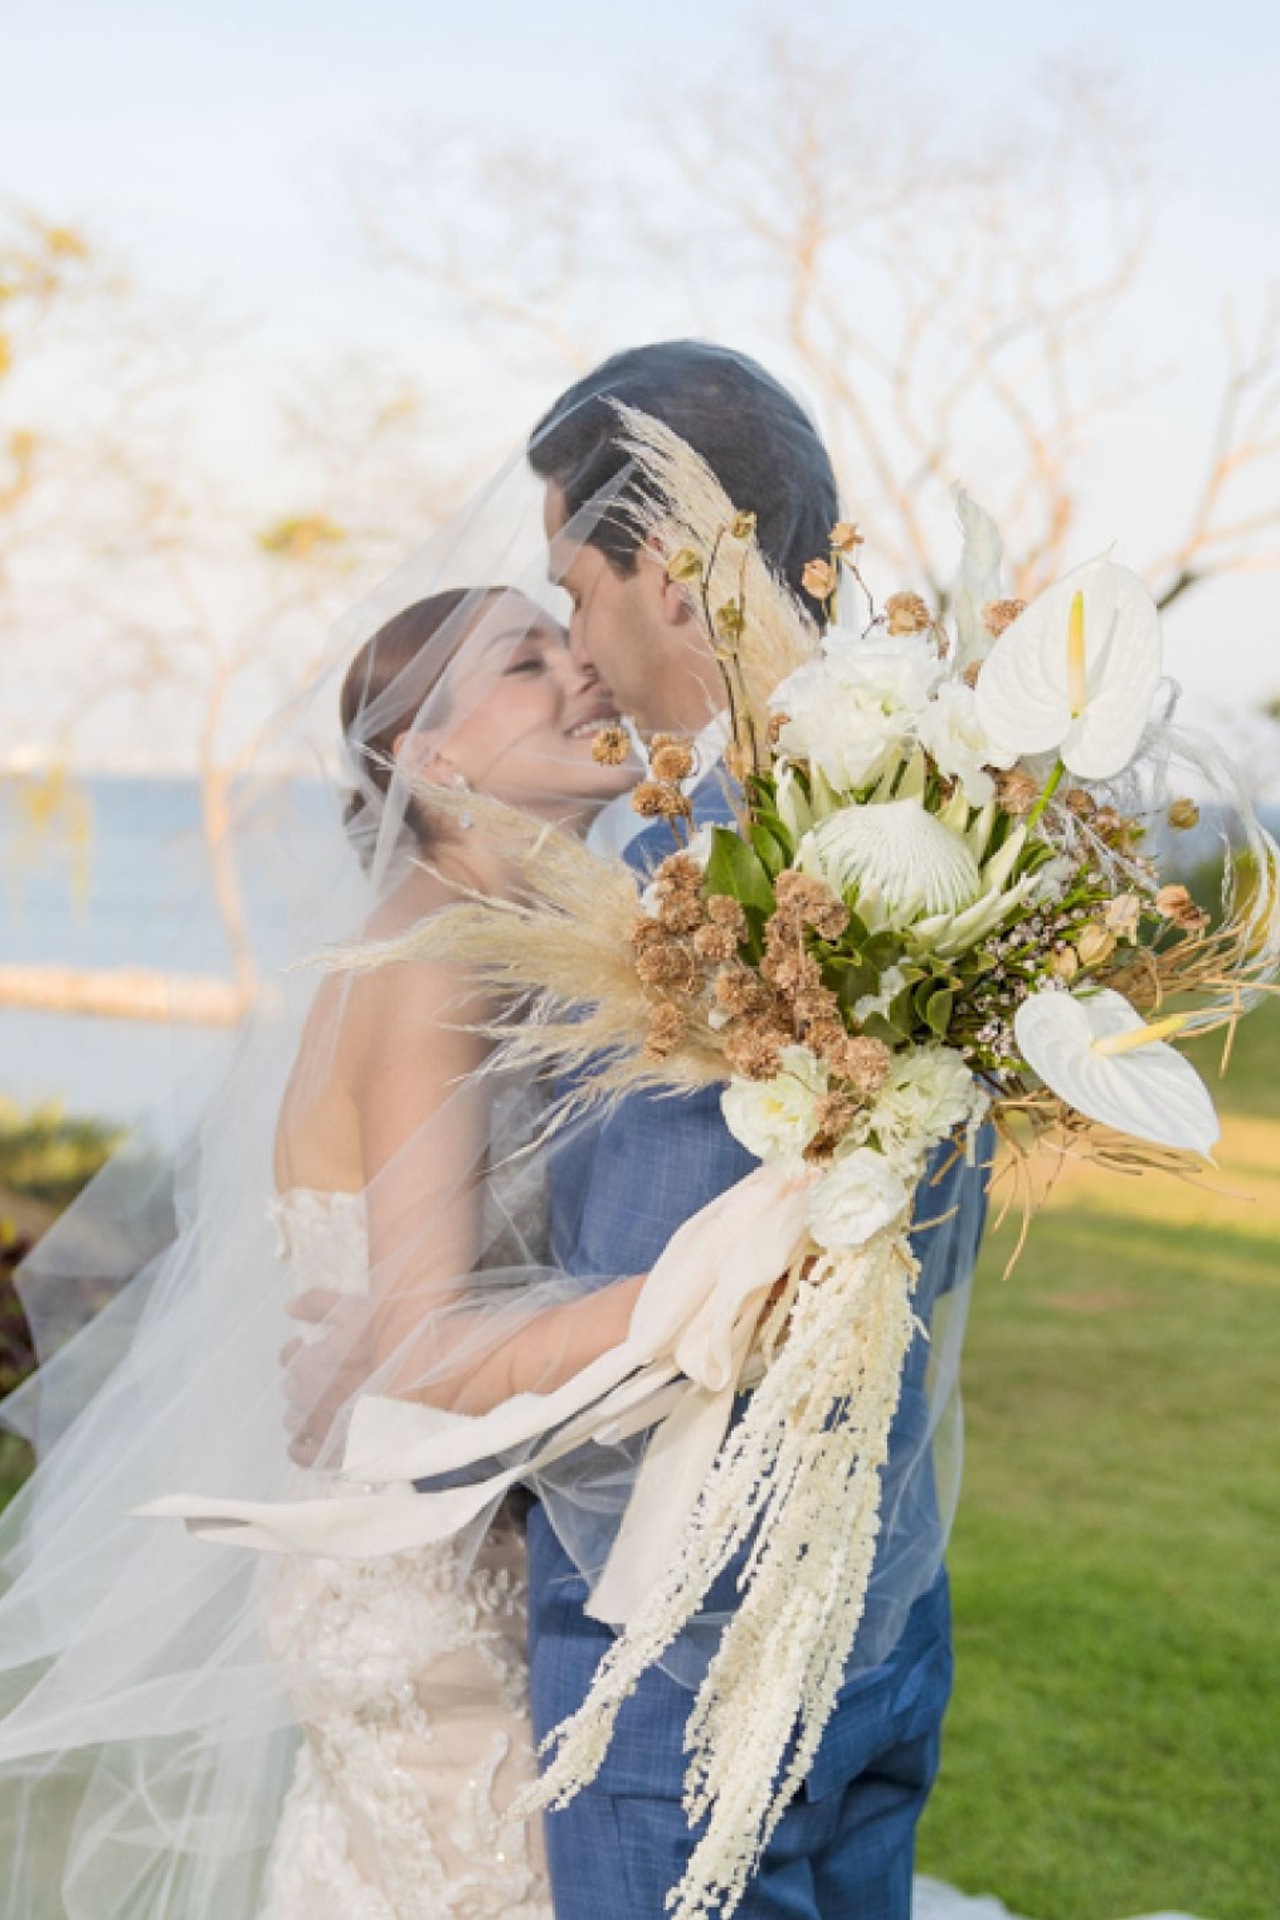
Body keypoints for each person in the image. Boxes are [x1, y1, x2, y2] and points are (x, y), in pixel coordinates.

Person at [519, 341, 991, 1920]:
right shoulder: (952, 819)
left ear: (663, 572)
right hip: (886, 1600)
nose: (571, 650)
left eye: (572, 591)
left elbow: (648, 1308)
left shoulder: (688, 888)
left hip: (685, 1649)